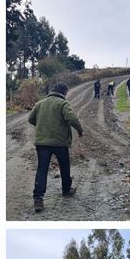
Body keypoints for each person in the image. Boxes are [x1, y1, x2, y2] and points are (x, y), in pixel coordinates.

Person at [28, 83, 83, 212]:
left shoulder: (40, 103)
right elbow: (72, 118)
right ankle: (66, 190)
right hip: (59, 142)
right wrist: (80, 130)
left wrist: (42, 124)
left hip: (42, 143)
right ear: (64, 92)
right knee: (64, 166)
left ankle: (38, 199)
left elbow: (31, 119)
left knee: (42, 169)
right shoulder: (63, 104)